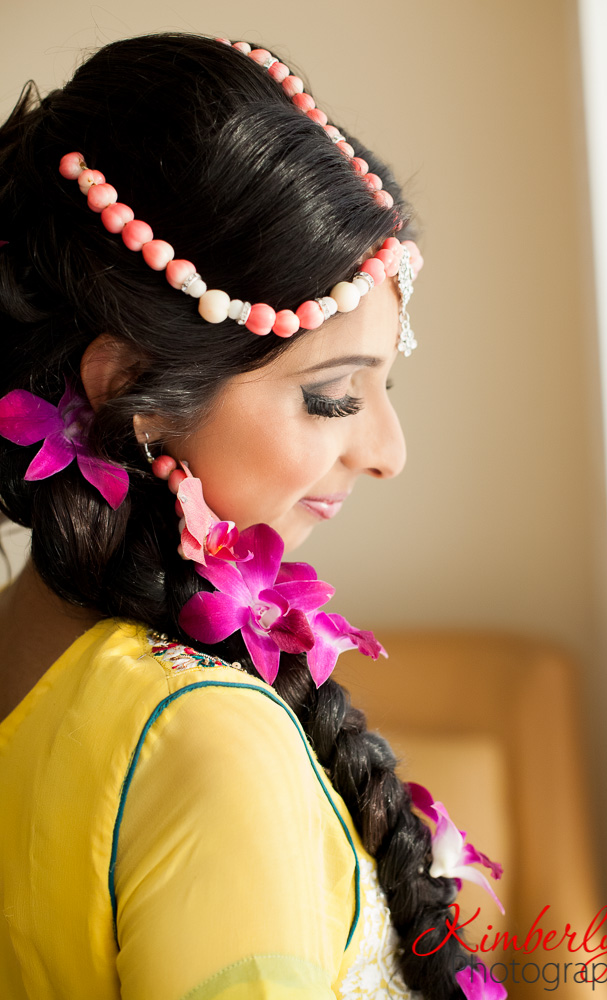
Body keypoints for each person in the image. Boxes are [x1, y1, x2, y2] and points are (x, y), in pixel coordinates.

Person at [0, 33, 504, 1000]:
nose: (388, 451)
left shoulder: (24, 650)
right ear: (129, 392)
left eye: (384, 388)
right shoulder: (208, 738)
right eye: (332, 397)